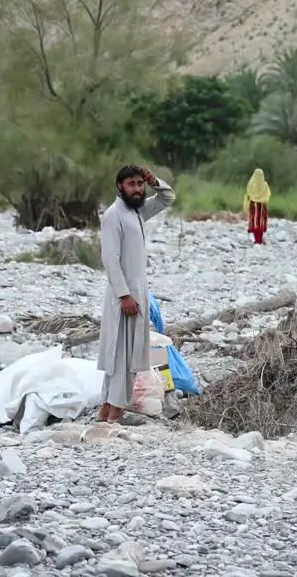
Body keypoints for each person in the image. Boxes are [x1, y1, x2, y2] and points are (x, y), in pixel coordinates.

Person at [97, 164, 176, 423]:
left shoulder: (138, 210)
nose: (137, 189)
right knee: (121, 354)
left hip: (138, 292)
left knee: (128, 352)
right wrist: (124, 296)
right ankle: (115, 411)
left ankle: (106, 411)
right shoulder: (114, 215)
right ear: (120, 186)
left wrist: (154, 179)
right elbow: (110, 259)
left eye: (140, 184)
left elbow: (168, 198)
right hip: (123, 295)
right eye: (132, 184)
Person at [244, 168, 271, 245]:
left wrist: (247, 204)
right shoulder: (265, 185)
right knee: (261, 222)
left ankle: (256, 240)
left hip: (253, 205)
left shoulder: (251, 184)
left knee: (255, 221)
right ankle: (260, 240)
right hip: (262, 205)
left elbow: (248, 194)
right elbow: (268, 194)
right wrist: (262, 198)